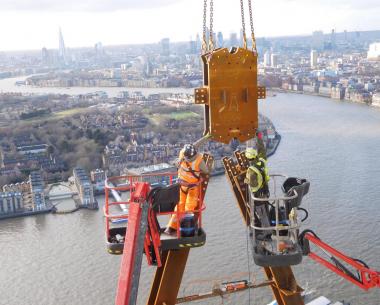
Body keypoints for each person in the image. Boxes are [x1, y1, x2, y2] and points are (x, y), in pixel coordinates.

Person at [165, 144, 210, 235]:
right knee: (189, 207)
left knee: (179, 206)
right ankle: (185, 228)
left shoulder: (182, 154)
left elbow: (191, 145)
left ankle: (170, 227)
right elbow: (206, 171)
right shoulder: (199, 161)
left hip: (181, 186)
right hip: (192, 188)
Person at [244, 147, 271, 232]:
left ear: (248, 158)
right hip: (265, 190)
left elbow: (253, 184)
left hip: (258, 195)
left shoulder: (252, 170)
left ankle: (267, 232)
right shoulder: (262, 162)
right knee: (265, 210)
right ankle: (268, 228)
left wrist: (246, 180)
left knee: (262, 213)